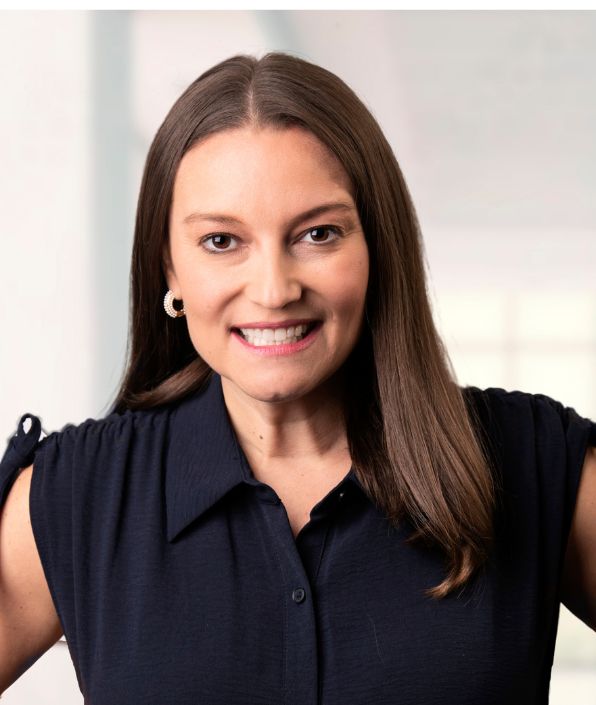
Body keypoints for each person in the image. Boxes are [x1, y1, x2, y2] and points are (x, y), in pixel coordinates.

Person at [0, 51, 595, 704]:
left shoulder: (531, 464)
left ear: (376, 248)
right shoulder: (78, 496)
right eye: (222, 241)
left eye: (318, 233)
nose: (275, 290)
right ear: (168, 268)